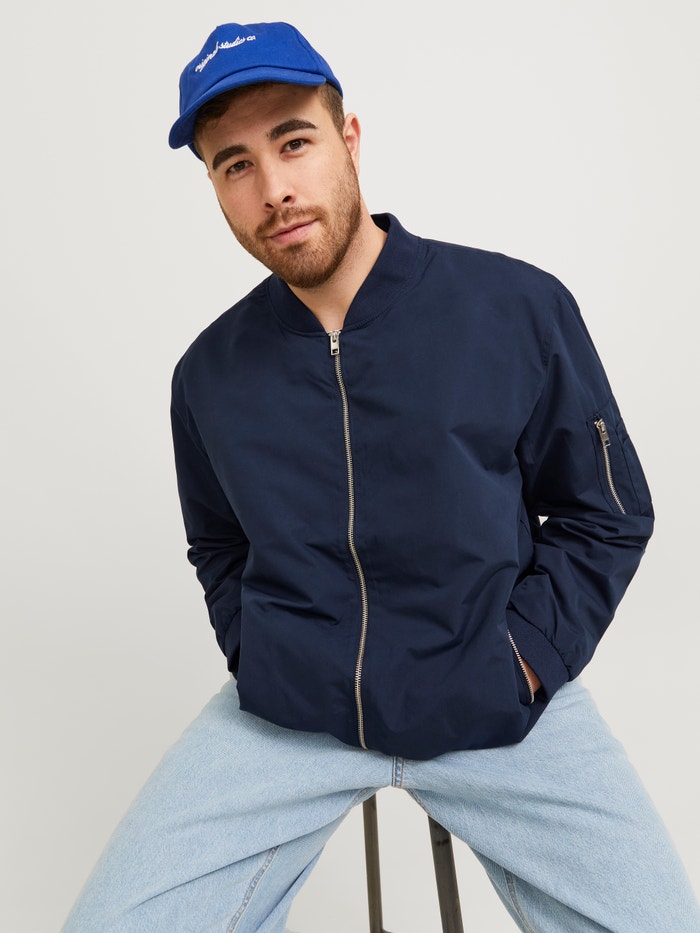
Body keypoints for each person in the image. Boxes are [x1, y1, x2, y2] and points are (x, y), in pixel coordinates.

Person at [62, 21, 700, 933]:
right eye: (236, 165)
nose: (273, 189)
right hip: (292, 717)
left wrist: (522, 658)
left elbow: (607, 512)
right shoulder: (208, 374)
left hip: (500, 702)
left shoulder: (515, 309)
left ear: (349, 138)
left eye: (294, 142)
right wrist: (263, 656)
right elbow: (219, 544)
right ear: (214, 186)